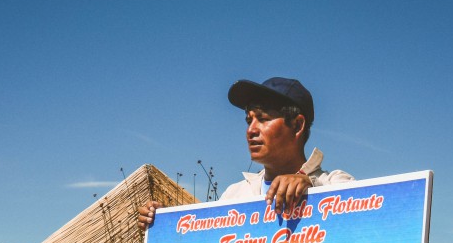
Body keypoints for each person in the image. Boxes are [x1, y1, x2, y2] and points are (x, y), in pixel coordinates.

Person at [138, 77, 353, 231]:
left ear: (297, 126)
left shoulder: (335, 182)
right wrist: (163, 224)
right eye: (249, 120)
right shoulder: (234, 195)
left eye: (263, 119)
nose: (251, 130)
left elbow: (363, 221)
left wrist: (311, 188)